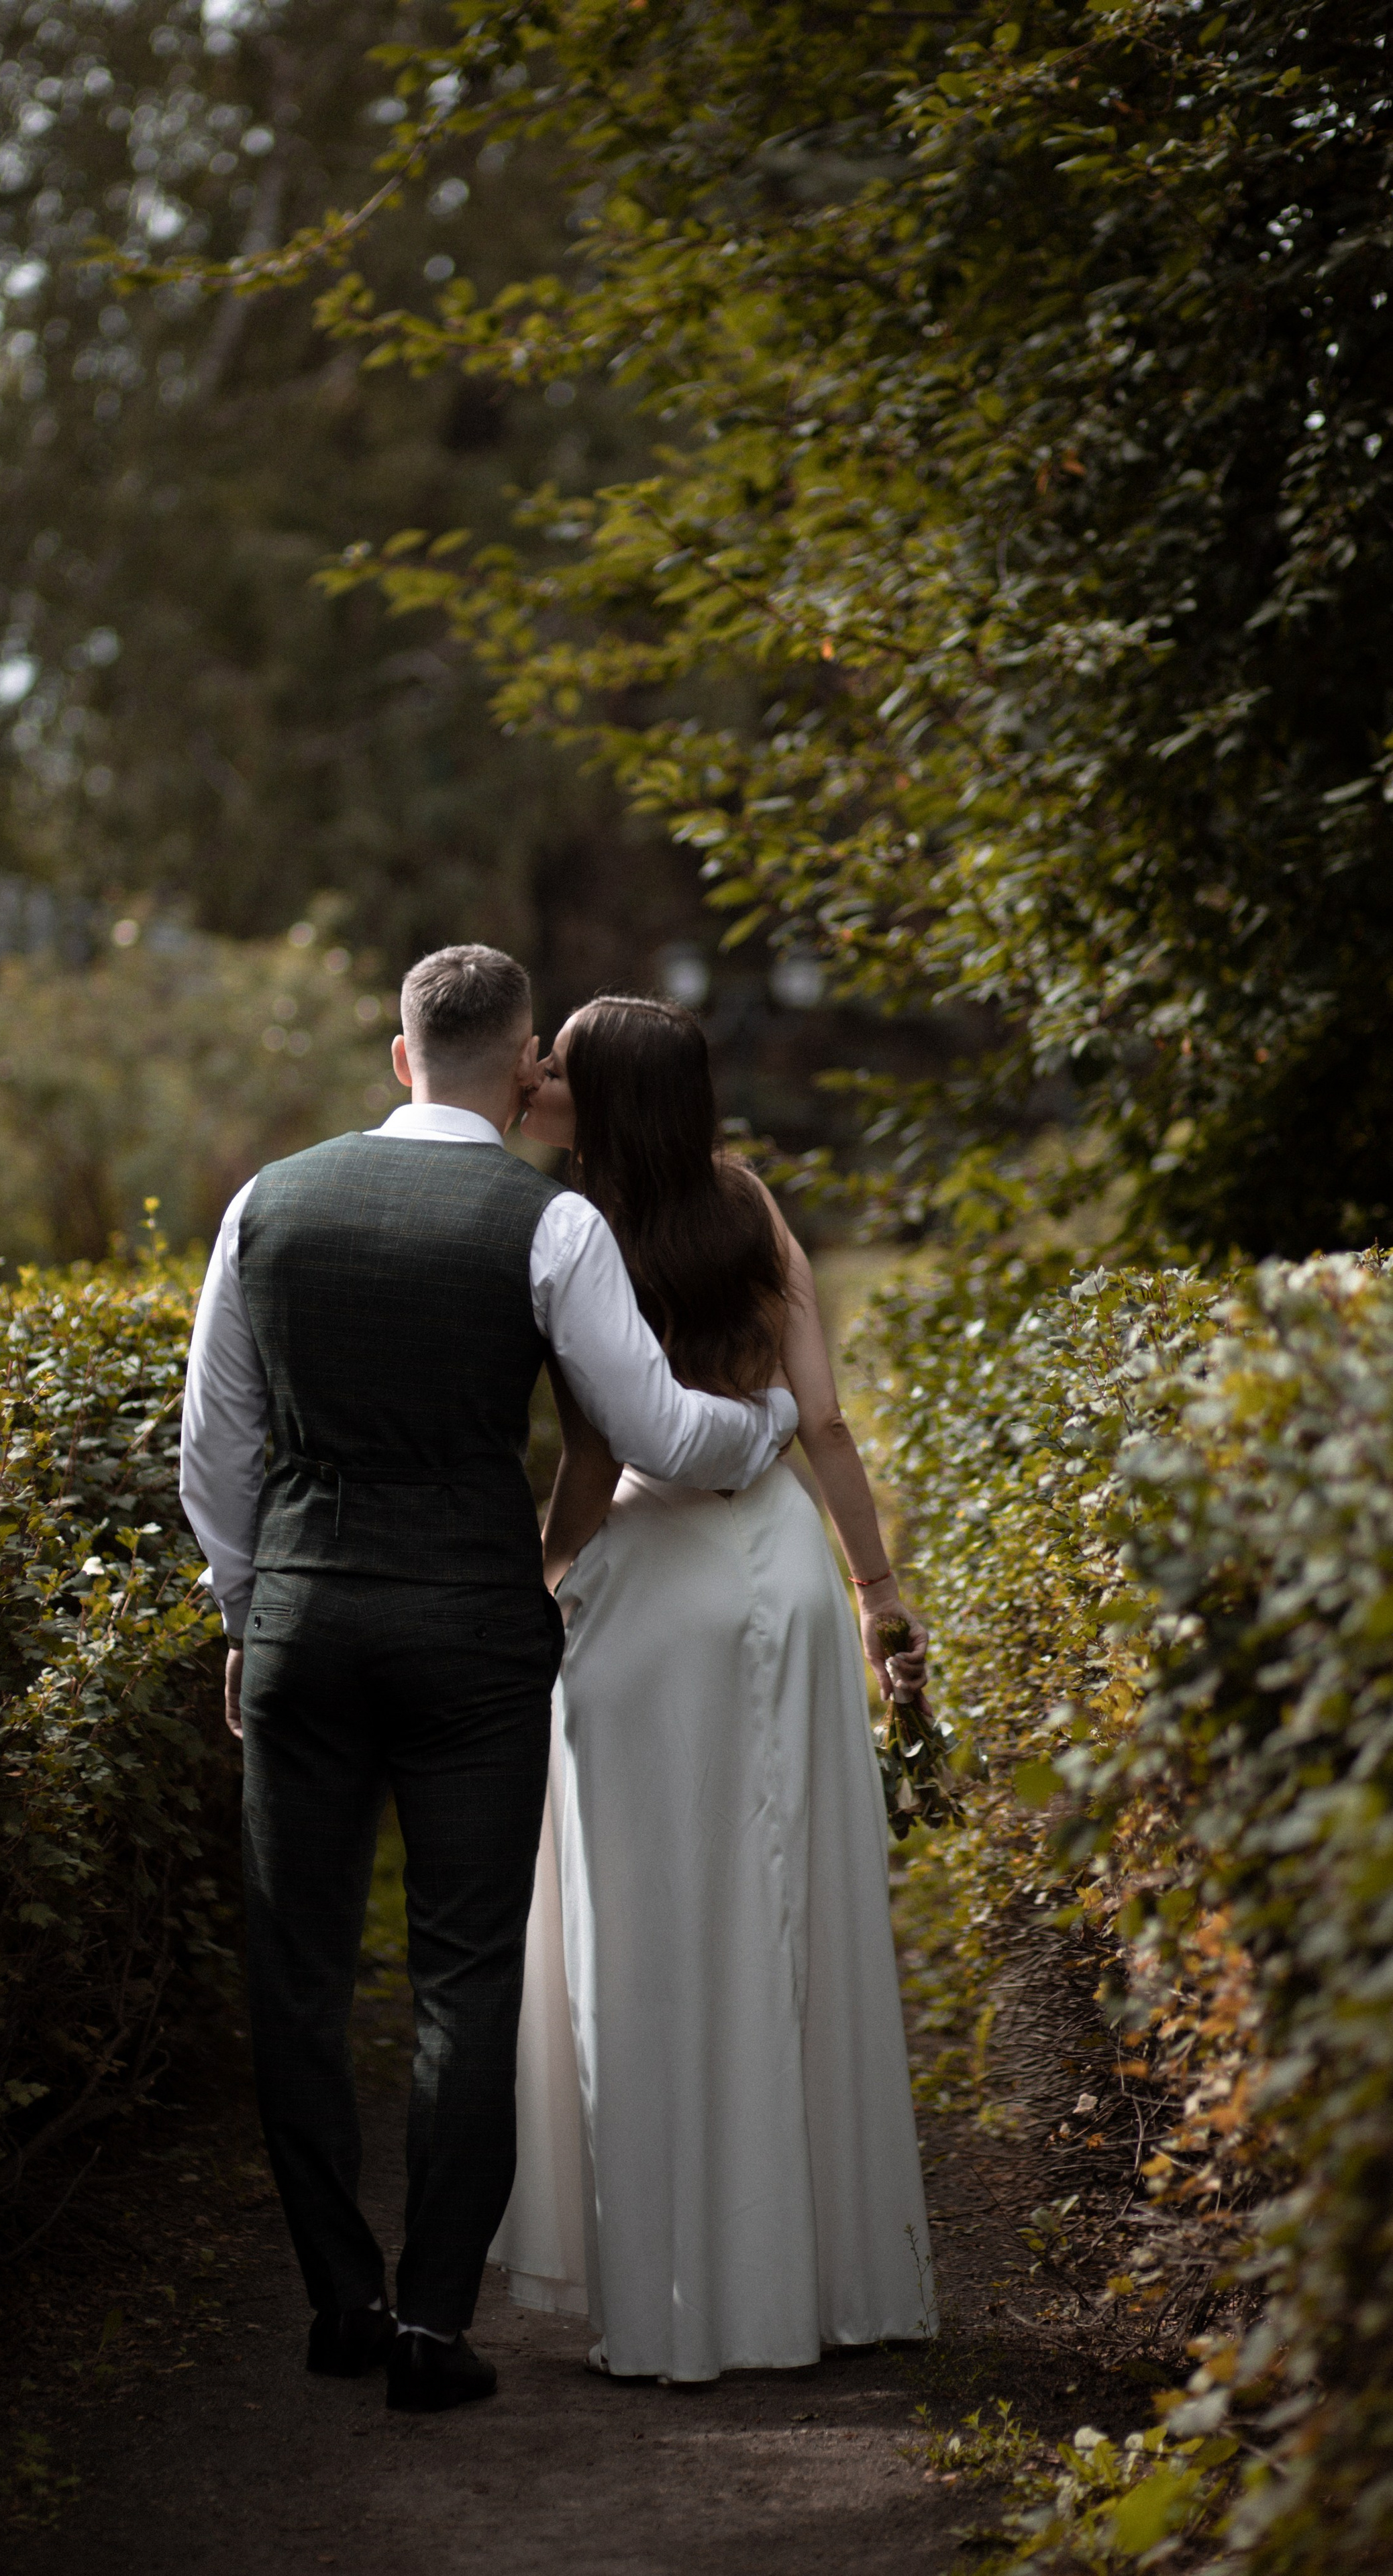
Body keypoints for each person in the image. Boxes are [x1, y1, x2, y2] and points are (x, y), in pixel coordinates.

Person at [178, 947, 800, 2414]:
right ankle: (430, 2324)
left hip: (309, 1625)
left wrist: (248, 1613)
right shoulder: (550, 1223)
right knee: (465, 1974)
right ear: (521, 1065)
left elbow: (216, 1449)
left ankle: (341, 2296)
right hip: (470, 1636)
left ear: (398, 1058)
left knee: (298, 1972)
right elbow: (647, 1422)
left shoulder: (267, 1203)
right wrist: (766, 1420)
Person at [489, 994, 935, 2381]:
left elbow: (581, 1456)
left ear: (602, 1099)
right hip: (786, 1575)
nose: (541, 1073)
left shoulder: (567, 1231)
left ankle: (683, 2289)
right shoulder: (746, 1202)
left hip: (653, 1575)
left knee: (653, 1925)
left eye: (560, 1059)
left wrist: (546, 1581)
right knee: (792, 1898)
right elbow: (825, 1422)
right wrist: (876, 1595)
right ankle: (820, 2277)